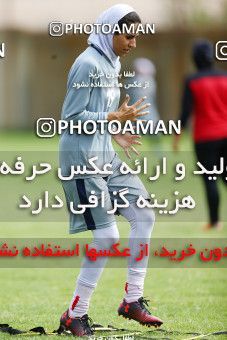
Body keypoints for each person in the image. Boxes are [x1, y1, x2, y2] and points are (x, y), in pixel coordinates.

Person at [59, 4, 163, 336]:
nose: (133, 43)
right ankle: (75, 314)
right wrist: (111, 120)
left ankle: (132, 300)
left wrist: (114, 131)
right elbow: (71, 121)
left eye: (136, 37)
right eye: (128, 36)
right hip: (82, 161)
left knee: (144, 214)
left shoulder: (110, 62)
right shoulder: (87, 64)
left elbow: (98, 114)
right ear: (109, 31)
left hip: (106, 157)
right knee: (107, 237)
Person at [174, 39, 227, 230]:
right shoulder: (225, 77)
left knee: (210, 179)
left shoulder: (192, 80)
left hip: (205, 138)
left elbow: (185, 112)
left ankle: (214, 222)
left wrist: (177, 136)